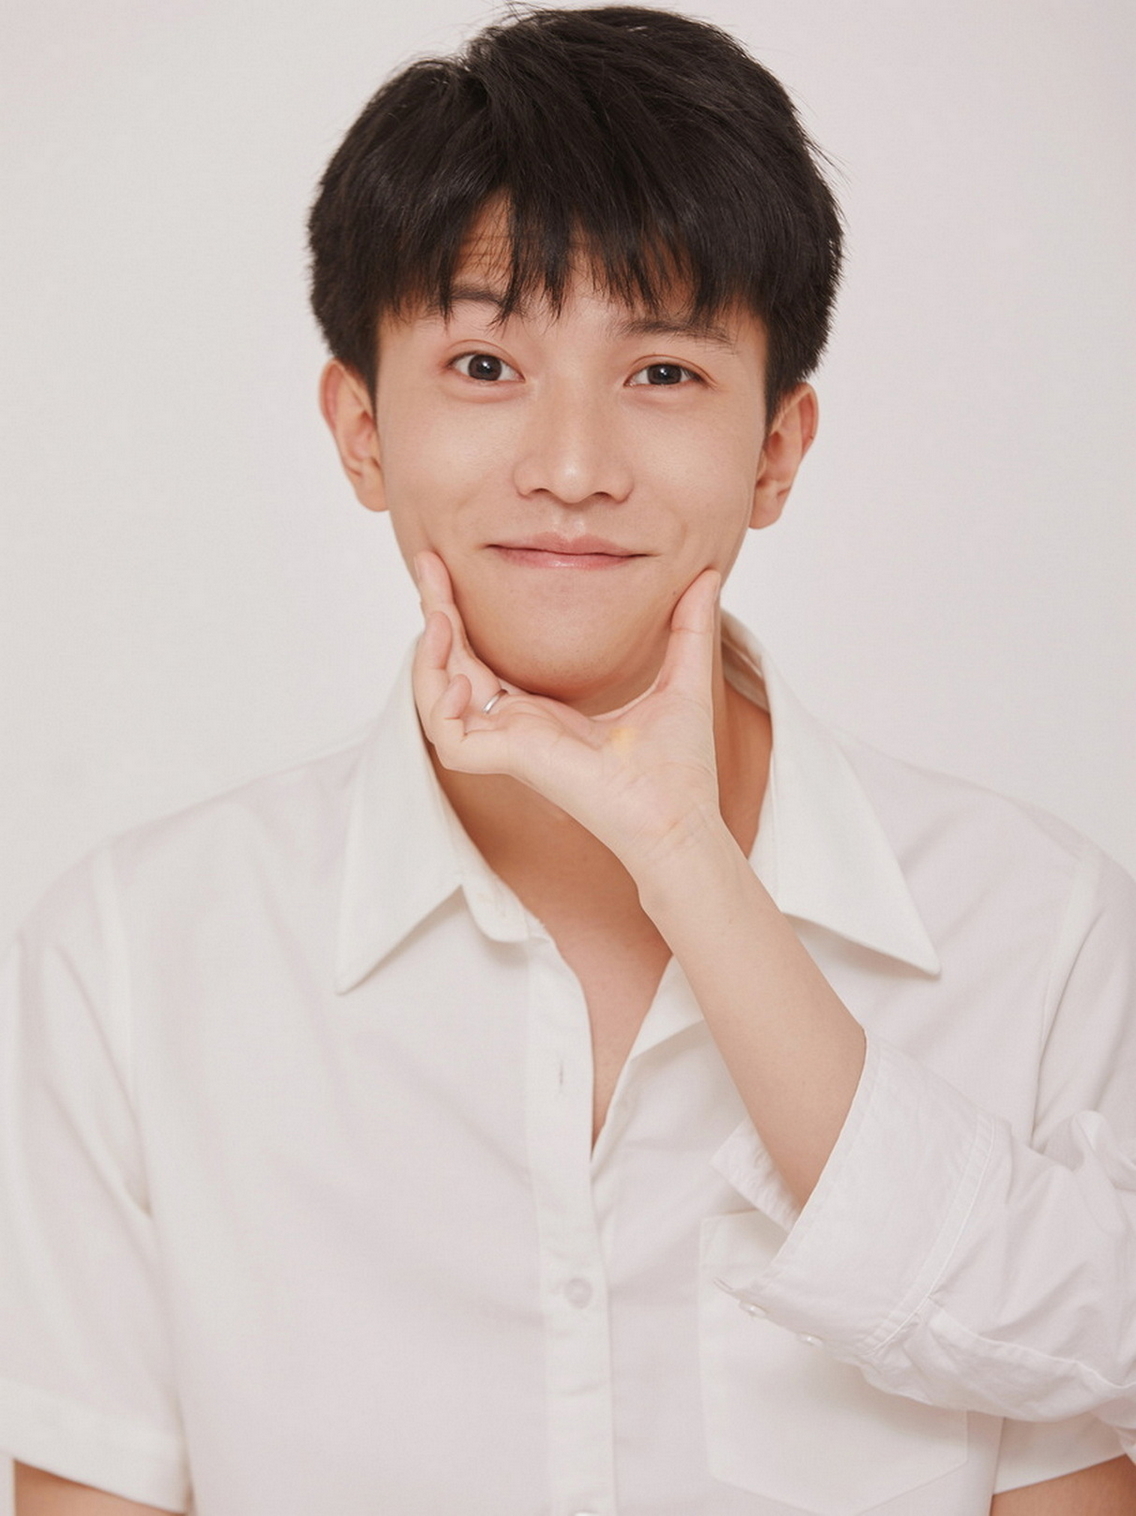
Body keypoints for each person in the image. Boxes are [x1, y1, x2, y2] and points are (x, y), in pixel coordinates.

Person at [2, 7, 1135, 1514]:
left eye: (662, 372)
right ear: (360, 428)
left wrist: (685, 860)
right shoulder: (135, 961)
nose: (573, 467)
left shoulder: (1036, 933)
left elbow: (1084, 1386)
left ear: (778, 448)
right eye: (485, 363)